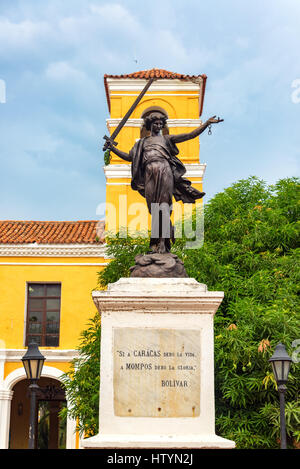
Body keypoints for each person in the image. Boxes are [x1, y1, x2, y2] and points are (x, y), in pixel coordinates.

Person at [106, 112, 223, 253]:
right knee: (154, 209)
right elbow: (129, 157)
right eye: (156, 123)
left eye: (161, 124)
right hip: (150, 173)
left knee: (163, 206)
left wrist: (206, 124)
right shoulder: (141, 143)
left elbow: (189, 135)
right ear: (150, 125)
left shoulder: (167, 140)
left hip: (164, 171)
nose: (159, 126)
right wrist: (112, 148)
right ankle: (156, 242)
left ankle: (162, 243)